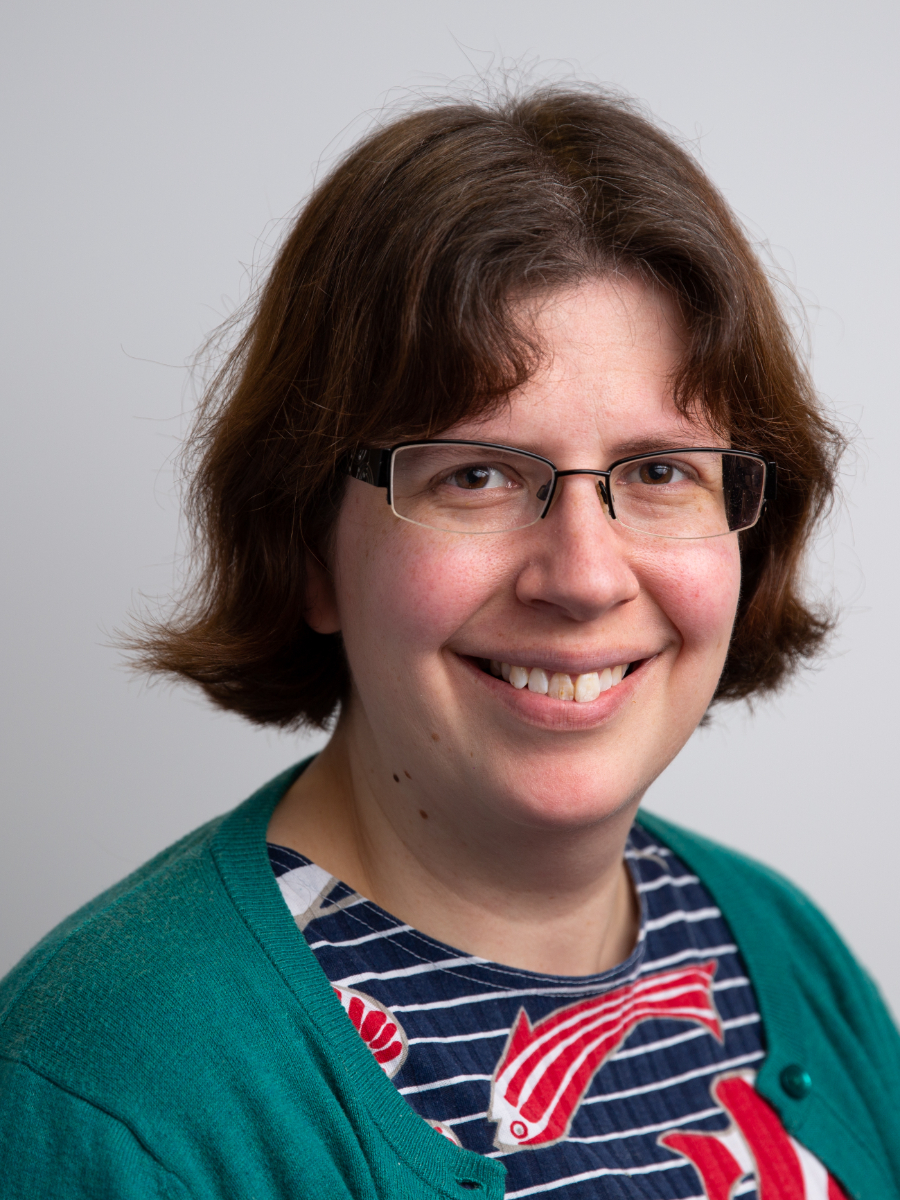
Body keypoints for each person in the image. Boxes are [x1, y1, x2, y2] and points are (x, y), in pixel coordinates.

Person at [1, 86, 898, 1200]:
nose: (582, 577)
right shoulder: (115, 1097)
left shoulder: (781, 944)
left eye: (662, 472)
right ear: (311, 546)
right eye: (476, 474)